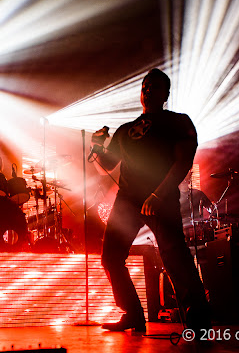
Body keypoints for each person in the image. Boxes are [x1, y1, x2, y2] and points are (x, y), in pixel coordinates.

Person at [90, 68, 210, 333]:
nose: (147, 89)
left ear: (166, 94)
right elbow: (106, 166)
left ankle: (198, 318)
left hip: (162, 197)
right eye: (145, 85)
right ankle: (132, 314)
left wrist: (158, 194)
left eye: (154, 86)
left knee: (174, 256)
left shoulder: (178, 122)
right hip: (127, 199)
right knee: (110, 257)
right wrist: (97, 147)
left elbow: (183, 161)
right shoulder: (124, 130)